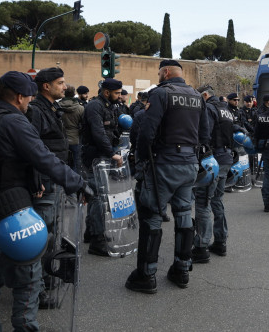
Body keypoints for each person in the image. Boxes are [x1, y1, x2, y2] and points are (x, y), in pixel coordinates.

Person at [0, 71, 94, 332]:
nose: (29, 102)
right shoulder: (13, 122)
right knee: (28, 277)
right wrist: (79, 183)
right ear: (18, 97)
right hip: (11, 212)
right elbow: (43, 157)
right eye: (28, 97)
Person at [125, 60, 207, 294]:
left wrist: (140, 162)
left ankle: (146, 275)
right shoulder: (196, 96)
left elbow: (147, 132)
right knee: (183, 215)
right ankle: (181, 270)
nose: (158, 76)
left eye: (159, 72)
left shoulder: (161, 94)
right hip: (189, 164)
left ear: (166, 72)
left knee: (151, 216)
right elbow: (204, 133)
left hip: (164, 164)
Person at [25, 67, 69, 309]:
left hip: (54, 178)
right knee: (42, 235)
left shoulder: (52, 108)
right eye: (60, 83)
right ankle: (37, 289)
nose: (64, 86)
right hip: (44, 182)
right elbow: (33, 149)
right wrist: (37, 179)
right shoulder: (36, 111)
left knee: (52, 231)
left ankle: (45, 277)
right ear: (46, 86)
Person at [191, 85, 237, 263]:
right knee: (217, 200)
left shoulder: (209, 109)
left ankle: (201, 247)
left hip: (213, 159)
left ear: (204, 95)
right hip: (225, 158)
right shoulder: (225, 110)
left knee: (203, 202)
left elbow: (205, 136)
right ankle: (220, 241)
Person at [81, 78, 126, 256]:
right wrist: (111, 153)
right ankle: (97, 241)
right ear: (106, 92)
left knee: (96, 196)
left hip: (102, 155)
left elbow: (111, 131)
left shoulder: (109, 106)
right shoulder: (95, 107)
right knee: (99, 198)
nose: (119, 96)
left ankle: (91, 232)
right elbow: (98, 133)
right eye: (116, 93)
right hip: (95, 157)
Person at [58, 85, 85, 170]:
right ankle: (75, 181)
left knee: (61, 163)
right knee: (76, 163)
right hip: (75, 139)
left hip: (61, 138)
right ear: (74, 94)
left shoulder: (57, 107)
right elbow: (84, 124)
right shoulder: (80, 108)